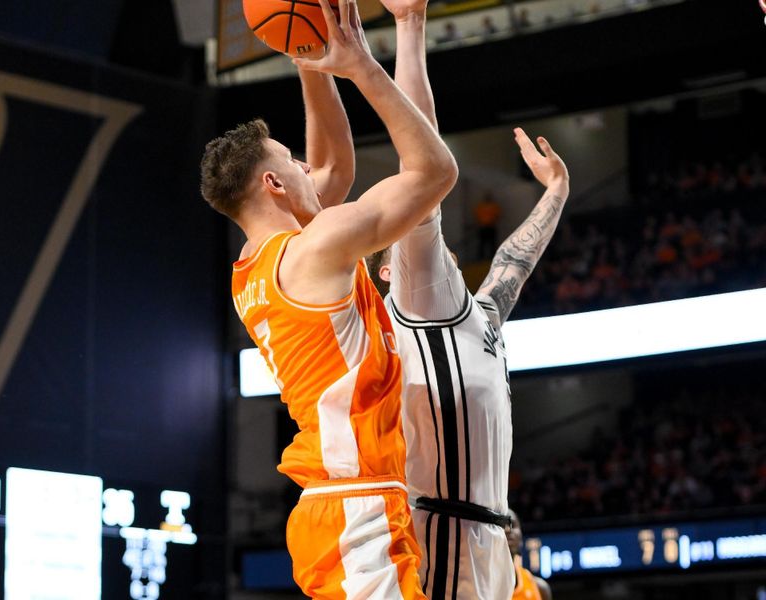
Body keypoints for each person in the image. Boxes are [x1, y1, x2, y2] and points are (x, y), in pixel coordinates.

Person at [199, 0, 458, 596]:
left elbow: (334, 164)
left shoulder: (251, 269)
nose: (305, 165)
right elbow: (434, 173)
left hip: (346, 503)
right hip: (354, 506)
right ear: (272, 184)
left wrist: (311, 56)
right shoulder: (316, 250)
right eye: (292, 161)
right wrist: (361, 65)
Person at [369, 0, 569, 596]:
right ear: (391, 273)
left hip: (487, 548)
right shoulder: (416, 299)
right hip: (440, 544)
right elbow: (419, 160)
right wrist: (409, 26)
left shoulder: (474, 316)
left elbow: (514, 262)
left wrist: (557, 190)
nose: (432, 251)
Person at [505, 509, 553, 600]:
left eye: (512, 524)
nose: (508, 530)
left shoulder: (540, 588)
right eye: (501, 526)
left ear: (521, 538)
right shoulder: (479, 586)